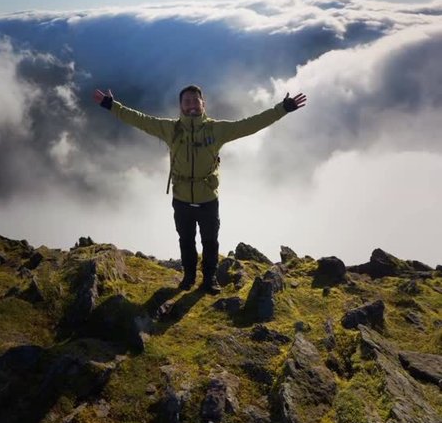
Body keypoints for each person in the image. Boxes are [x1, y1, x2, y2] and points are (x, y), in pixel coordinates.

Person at [92, 84, 306, 294]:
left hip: (207, 200)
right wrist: (112, 105)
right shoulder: (170, 129)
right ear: (181, 106)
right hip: (182, 199)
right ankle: (189, 277)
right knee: (186, 240)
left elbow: (250, 124)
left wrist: (283, 109)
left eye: (196, 101)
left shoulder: (217, 129)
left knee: (210, 242)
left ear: (203, 104)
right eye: (187, 101)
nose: (192, 105)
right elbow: (140, 120)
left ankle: (210, 278)